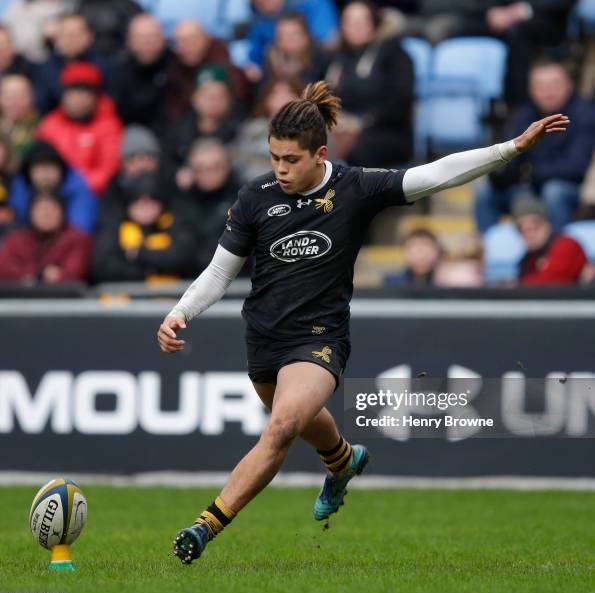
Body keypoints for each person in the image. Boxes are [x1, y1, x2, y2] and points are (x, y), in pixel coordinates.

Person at [155, 80, 569, 564]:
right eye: (274, 158)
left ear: (320, 153)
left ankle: (204, 527)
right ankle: (343, 459)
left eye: (291, 160)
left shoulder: (355, 187)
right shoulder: (255, 197)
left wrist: (511, 147)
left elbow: (435, 175)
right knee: (296, 416)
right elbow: (220, 271)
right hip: (264, 338)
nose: (281, 169)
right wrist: (180, 311)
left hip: (320, 338)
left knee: (284, 424)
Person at [475, 60, 595, 234]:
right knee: (484, 191)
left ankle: (558, 250)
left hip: (571, 190)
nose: (548, 92)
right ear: (531, 90)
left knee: (554, 191)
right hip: (528, 186)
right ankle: (491, 248)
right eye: (541, 86)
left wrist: (530, 172)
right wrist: (500, 174)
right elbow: (511, 155)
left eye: (555, 85)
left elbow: (576, 168)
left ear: (569, 85)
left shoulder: (585, 115)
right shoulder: (524, 114)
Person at [325, 0, 414, 167]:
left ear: (374, 24)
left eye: (362, 21)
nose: (356, 26)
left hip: (386, 131)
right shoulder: (335, 57)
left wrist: (361, 122)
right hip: (339, 126)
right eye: (350, 21)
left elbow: (400, 101)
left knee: (357, 149)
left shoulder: (395, 55)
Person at [91, 172, 198, 282]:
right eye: (138, 200)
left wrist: (138, 254)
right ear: (129, 204)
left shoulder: (174, 224)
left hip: (170, 298)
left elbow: (183, 259)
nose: (145, 206)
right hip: (124, 297)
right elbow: (104, 268)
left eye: (152, 199)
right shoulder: (115, 228)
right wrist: (147, 272)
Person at [37, 61, 123, 195]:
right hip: (53, 193)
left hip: (94, 193)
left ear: (95, 97)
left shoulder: (108, 125)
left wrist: (78, 186)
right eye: (73, 93)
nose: (78, 99)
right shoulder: (50, 124)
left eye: (84, 93)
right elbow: (40, 162)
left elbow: (109, 167)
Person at [172, 139, 242, 272]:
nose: (208, 173)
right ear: (192, 170)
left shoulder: (242, 197)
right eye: (201, 168)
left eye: (215, 167)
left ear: (227, 166)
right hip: (191, 281)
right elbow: (181, 249)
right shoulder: (182, 200)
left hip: (236, 282)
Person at [0, 190, 92, 283]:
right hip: (19, 296)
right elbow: (3, 270)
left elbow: (74, 273)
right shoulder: (16, 239)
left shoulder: (77, 239)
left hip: (59, 296)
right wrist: (39, 275)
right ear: (30, 213)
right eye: (41, 209)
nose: (46, 214)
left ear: (62, 213)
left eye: (52, 208)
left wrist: (26, 274)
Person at [10, 139, 98, 234]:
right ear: (29, 173)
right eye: (39, 168)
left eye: (50, 167)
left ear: (61, 170)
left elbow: (80, 231)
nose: (45, 174)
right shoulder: (20, 191)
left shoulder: (78, 191)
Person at [163, 64, 241, 173]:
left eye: (220, 96)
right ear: (194, 98)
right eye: (208, 95)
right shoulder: (178, 132)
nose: (214, 102)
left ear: (229, 100)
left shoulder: (241, 130)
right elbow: (166, 167)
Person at [166, 19, 248, 119]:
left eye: (190, 40)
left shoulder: (226, 70)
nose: (183, 47)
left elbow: (239, 105)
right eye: (178, 42)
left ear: (205, 39)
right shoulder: (174, 67)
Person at [34, 12, 114, 114]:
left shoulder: (105, 66)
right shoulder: (46, 68)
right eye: (66, 34)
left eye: (77, 34)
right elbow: (42, 105)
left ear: (90, 36)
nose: (71, 39)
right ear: (56, 39)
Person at [232, 76, 302, 180]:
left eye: (289, 92)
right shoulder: (252, 130)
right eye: (275, 93)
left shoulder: (314, 130)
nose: (282, 97)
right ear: (266, 100)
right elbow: (239, 163)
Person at [113, 13, 173, 129]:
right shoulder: (119, 70)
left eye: (152, 37)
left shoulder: (175, 65)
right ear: (130, 41)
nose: (147, 43)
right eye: (141, 38)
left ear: (162, 39)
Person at [513, 194, 586, 285]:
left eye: (535, 227)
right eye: (522, 230)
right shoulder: (528, 259)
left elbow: (552, 283)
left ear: (547, 225)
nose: (530, 235)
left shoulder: (567, 245)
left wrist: (516, 286)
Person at [264, 12, 331, 84]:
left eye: (293, 36)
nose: (287, 41)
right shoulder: (272, 59)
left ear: (306, 36)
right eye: (282, 36)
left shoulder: (322, 60)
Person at [0, 75, 40, 163]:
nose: (15, 102)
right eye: (10, 96)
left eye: (21, 96)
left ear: (32, 98)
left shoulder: (42, 127)